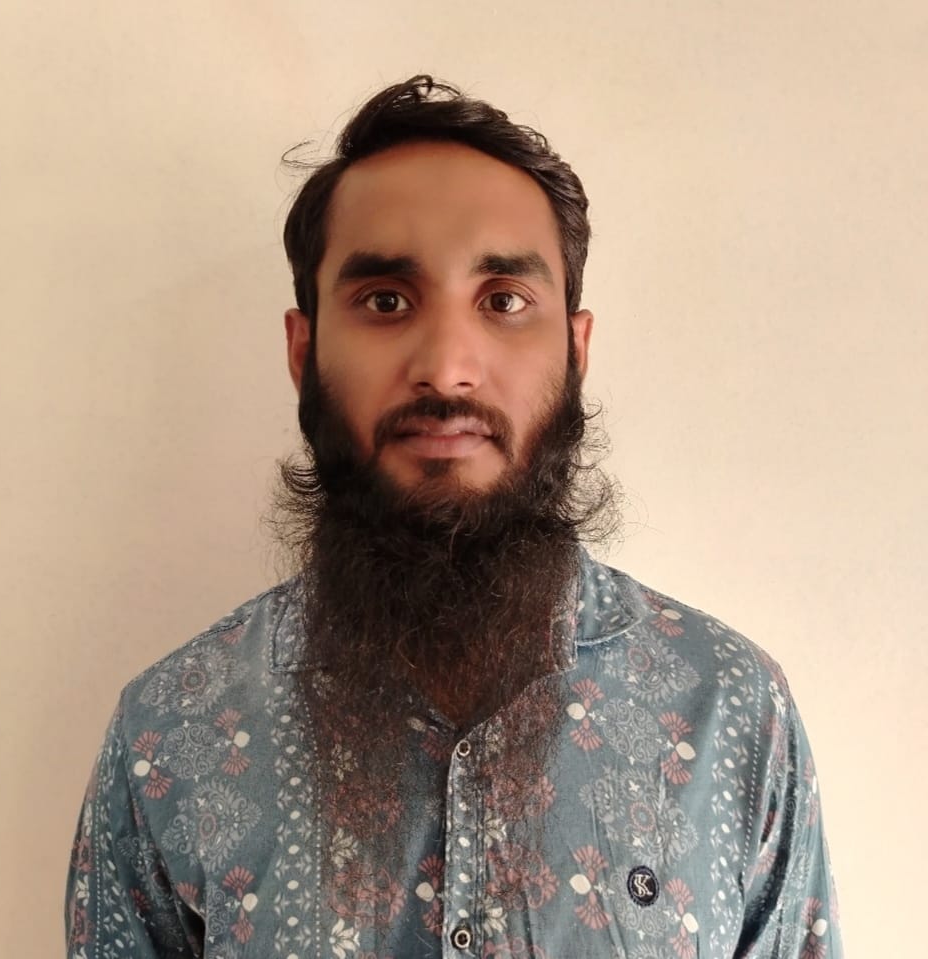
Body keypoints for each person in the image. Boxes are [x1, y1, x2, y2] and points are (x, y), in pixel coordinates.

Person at [65, 76, 842, 959]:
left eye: (503, 299)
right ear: (303, 350)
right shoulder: (170, 732)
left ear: (574, 350)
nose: (445, 368)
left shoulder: (729, 709)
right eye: (385, 300)